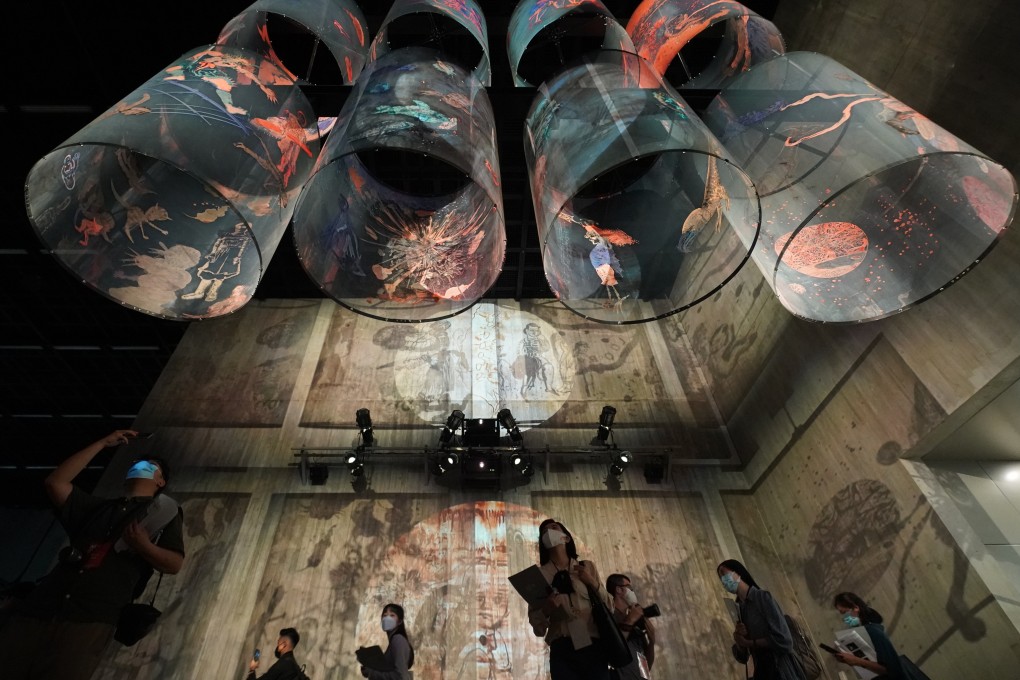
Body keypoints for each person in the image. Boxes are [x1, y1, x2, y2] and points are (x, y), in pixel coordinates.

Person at [4, 429, 185, 680]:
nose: (140, 466)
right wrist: (102, 443)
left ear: (160, 482)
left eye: (150, 465)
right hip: (38, 609)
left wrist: (144, 546)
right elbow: (55, 483)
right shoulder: (95, 508)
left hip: (92, 617)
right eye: (135, 463)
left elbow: (174, 563)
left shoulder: (164, 512)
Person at [528, 518, 614, 680]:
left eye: (554, 528)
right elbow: (537, 628)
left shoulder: (587, 567)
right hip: (562, 648)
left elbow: (610, 605)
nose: (548, 532)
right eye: (544, 532)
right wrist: (546, 609)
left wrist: (592, 582)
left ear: (566, 537)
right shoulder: (538, 576)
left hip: (593, 644)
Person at [718, 559, 806, 680]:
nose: (724, 580)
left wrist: (749, 642)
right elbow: (743, 657)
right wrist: (739, 640)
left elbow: (785, 640)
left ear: (737, 573)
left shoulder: (762, 598)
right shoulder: (740, 609)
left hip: (781, 671)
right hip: (764, 671)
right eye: (721, 578)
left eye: (724, 574)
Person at [832, 592, 916, 679]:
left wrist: (857, 661)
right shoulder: (864, 631)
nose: (844, 618)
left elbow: (891, 670)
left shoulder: (873, 631)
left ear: (855, 608)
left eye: (844, 612)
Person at [606, 573, 656, 679]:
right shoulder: (610, 618)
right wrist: (631, 620)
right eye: (630, 588)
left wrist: (651, 642)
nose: (633, 592)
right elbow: (613, 650)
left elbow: (647, 667)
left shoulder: (637, 624)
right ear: (619, 590)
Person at [361, 603, 414, 680]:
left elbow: (399, 676)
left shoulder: (398, 639)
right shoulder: (394, 640)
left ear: (400, 621)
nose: (387, 618)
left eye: (392, 615)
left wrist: (371, 672)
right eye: (385, 615)